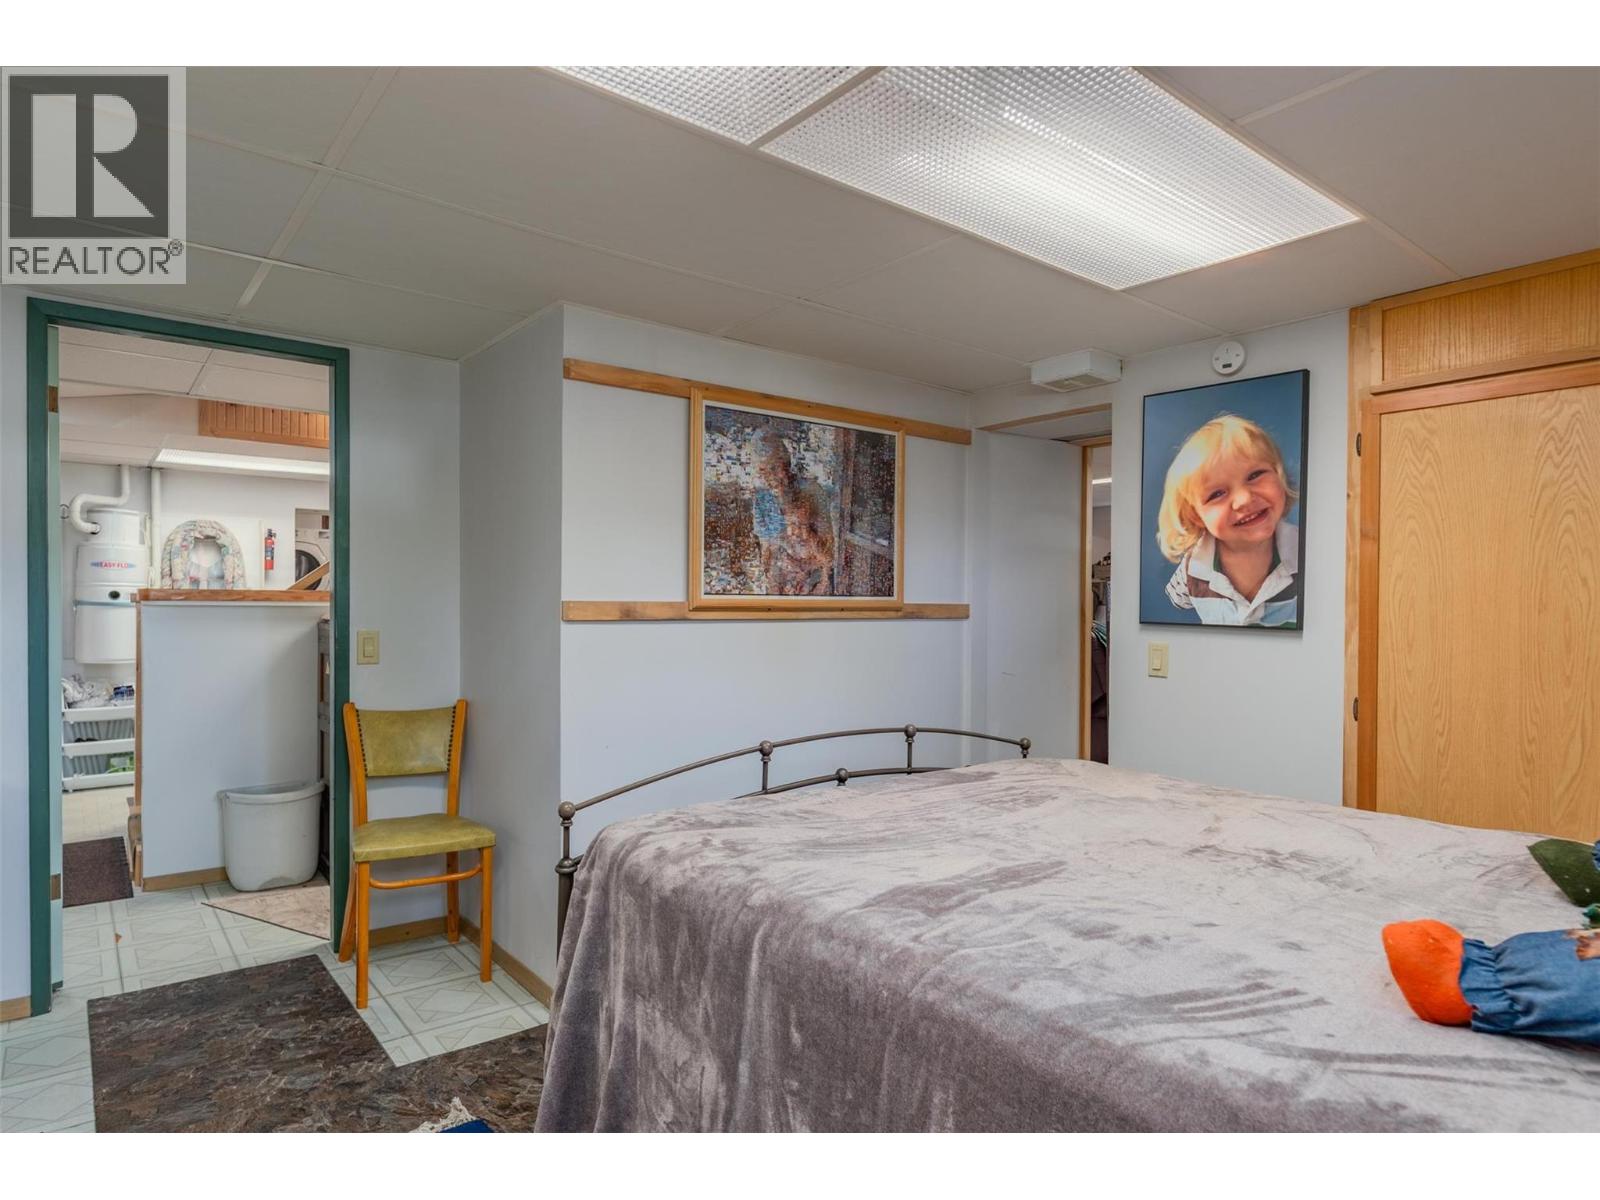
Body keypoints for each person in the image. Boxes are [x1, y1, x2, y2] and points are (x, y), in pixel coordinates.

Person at [1157, 414, 1300, 626]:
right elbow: (1178, 599)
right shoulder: (1191, 567)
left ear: (1278, 474)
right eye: (1217, 494)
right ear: (1196, 516)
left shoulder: (1307, 553)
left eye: (1255, 475)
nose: (1244, 499)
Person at [750, 428, 835, 595]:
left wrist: (803, 568)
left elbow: (828, 551)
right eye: (763, 471)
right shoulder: (761, 499)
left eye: (774, 467)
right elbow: (767, 552)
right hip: (782, 577)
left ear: (786, 462)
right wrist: (773, 582)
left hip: (813, 577)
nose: (770, 477)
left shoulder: (812, 490)